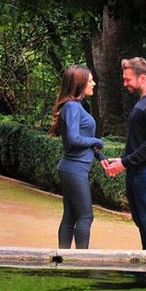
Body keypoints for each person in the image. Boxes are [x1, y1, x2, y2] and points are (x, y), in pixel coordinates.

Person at [104, 57, 146, 250]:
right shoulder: (144, 102)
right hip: (138, 171)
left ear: (142, 78)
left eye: (127, 79)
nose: (125, 84)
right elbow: (141, 140)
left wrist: (124, 163)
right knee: (142, 222)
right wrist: (123, 160)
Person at [51, 65, 104, 249]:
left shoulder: (76, 106)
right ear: (79, 83)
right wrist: (96, 140)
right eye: (90, 80)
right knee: (86, 217)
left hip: (72, 168)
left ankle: (63, 257)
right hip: (75, 169)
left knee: (71, 216)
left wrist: (100, 156)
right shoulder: (72, 106)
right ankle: (82, 259)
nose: (93, 84)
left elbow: (82, 138)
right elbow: (74, 139)